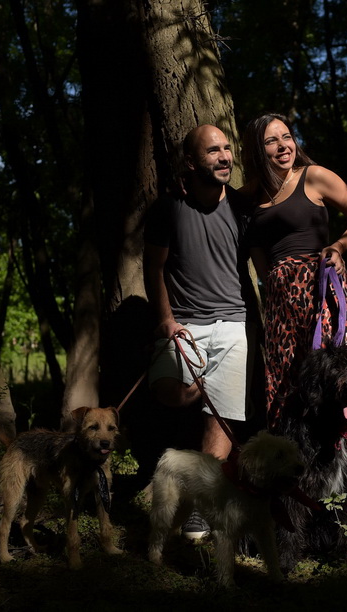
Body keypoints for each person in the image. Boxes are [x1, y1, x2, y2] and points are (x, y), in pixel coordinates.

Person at [242, 112, 347, 565]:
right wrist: (276, 294)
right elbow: (260, 259)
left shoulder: (315, 176)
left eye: (287, 136)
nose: (284, 146)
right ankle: (293, 523)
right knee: (289, 407)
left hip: (326, 297)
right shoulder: (249, 198)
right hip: (284, 311)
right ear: (256, 149)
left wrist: (339, 247)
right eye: (272, 141)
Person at [143, 124, 254, 539]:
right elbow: (153, 267)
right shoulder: (168, 207)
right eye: (213, 151)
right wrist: (166, 320)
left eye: (228, 148)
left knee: (222, 419)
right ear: (191, 162)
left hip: (233, 323)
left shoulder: (243, 207)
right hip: (184, 323)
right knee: (169, 392)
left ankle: (200, 508)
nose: (225, 156)